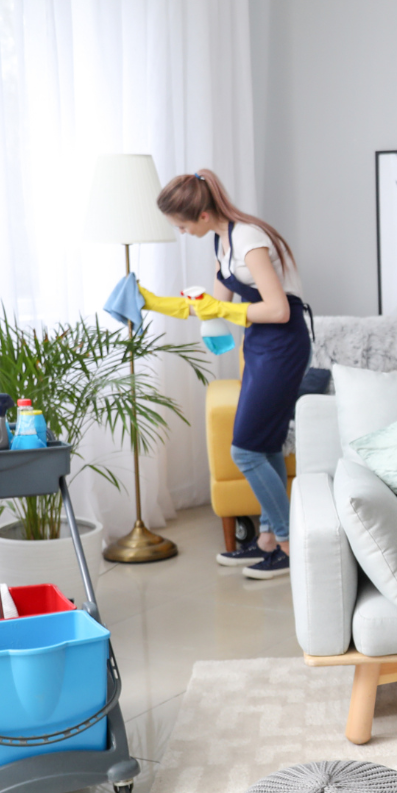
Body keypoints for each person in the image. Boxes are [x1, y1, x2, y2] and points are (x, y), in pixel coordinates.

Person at [146, 169, 309, 580]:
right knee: (266, 443)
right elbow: (210, 306)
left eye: (182, 225)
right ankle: (269, 540)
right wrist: (150, 301)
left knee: (246, 450)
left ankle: (291, 545)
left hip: (284, 344)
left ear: (201, 215)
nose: (182, 233)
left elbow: (279, 309)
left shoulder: (249, 239)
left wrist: (226, 311)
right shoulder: (223, 240)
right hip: (259, 344)